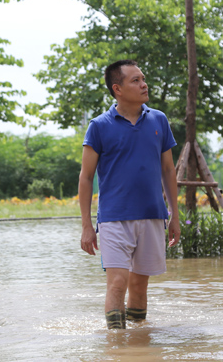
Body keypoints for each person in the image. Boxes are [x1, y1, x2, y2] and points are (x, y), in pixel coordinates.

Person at [78, 59, 181, 330]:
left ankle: (137, 346)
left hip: (152, 215)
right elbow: (86, 177)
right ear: (118, 89)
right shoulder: (99, 126)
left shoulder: (159, 120)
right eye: (135, 80)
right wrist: (87, 226)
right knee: (118, 282)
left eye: (143, 78)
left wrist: (174, 216)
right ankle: (116, 347)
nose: (144, 84)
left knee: (139, 285)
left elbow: (169, 171)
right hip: (114, 218)